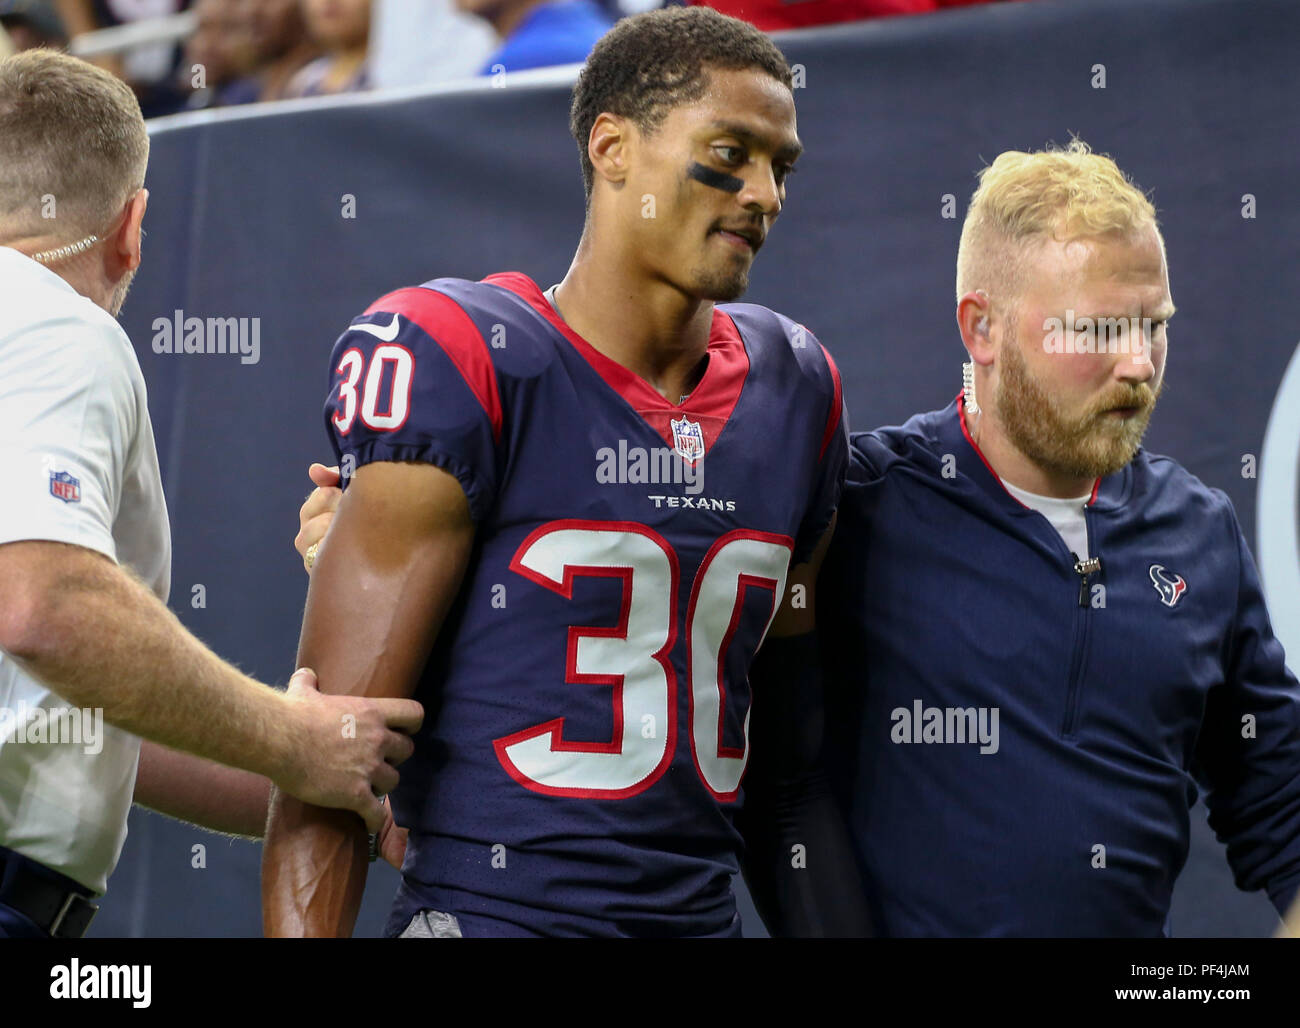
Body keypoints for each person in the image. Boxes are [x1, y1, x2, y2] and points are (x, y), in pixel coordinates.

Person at [263, 5, 868, 938]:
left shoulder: (797, 388)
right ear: (613, 146)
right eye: (731, 152)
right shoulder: (468, 355)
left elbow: (786, 775)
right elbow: (333, 760)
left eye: (781, 167)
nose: (765, 194)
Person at [814, 140, 1300, 936]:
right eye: (1100, 330)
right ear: (983, 328)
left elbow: (1279, 801)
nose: (1139, 365)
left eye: (1154, 327)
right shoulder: (858, 506)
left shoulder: (1198, 532)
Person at [0, 49, 421, 939]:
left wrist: (327, 781)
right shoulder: (58, 327)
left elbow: (73, 709)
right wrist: (295, 739)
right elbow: (43, 607)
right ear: (132, 226)